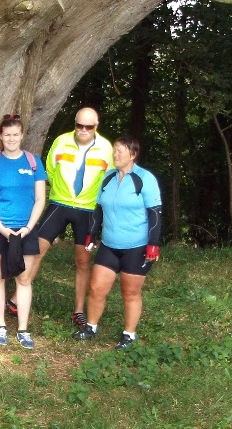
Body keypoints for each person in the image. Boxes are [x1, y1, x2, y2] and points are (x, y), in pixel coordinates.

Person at [8, 107, 112, 331]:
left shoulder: (106, 148)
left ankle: (78, 310)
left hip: (88, 209)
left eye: (89, 127)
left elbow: (109, 180)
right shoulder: (61, 141)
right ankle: (17, 299)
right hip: (60, 204)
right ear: (75, 124)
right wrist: (60, 191)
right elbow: (50, 170)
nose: (83, 130)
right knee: (37, 249)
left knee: (83, 261)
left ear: (97, 126)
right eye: (79, 126)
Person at [74, 135, 162, 349]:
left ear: (133, 155)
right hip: (109, 245)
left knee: (130, 292)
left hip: (136, 246)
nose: (115, 154)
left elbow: (155, 213)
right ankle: (91, 327)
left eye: (120, 151)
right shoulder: (108, 177)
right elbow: (98, 208)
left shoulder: (144, 178)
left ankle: (128, 334)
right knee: (96, 288)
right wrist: (91, 234)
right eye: (114, 150)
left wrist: (153, 244)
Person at [0, 114, 46, 349]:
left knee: (24, 277)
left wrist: (27, 228)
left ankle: (23, 329)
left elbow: (40, 199)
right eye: (7, 134)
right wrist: (3, 229)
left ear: (22, 135)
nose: (11, 139)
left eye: (15, 134)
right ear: (0, 135)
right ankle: (0, 326)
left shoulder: (34, 162)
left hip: (26, 229)